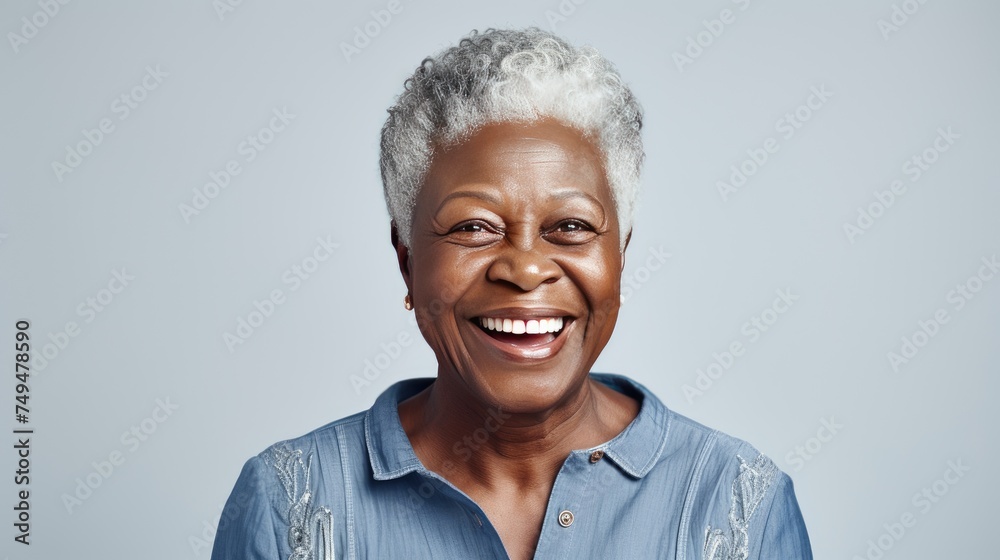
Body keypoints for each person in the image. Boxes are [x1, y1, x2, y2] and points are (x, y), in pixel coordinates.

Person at [211, 27, 813, 560]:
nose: (525, 269)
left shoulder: (738, 508)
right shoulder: (292, 507)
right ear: (406, 262)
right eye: (474, 226)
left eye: (571, 227)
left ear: (619, 259)